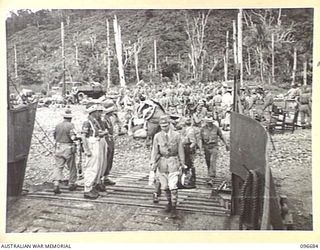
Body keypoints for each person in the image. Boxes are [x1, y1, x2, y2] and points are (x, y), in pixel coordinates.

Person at [150, 115, 185, 218]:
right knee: (165, 186)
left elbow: (180, 150)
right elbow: (154, 150)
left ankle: (174, 207)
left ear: (169, 124)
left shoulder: (176, 135)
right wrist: (152, 162)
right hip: (162, 163)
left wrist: (182, 163)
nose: (164, 128)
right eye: (162, 126)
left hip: (173, 161)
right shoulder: (157, 136)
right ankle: (169, 203)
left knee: (173, 185)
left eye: (166, 125)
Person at [81, 104, 108, 199]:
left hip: (95, 142)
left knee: (96, 166)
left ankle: (92, 186)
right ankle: (87, 189)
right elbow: (83, 136)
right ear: (93, 112)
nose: (99, 113)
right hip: (91, 144)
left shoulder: (94, 122)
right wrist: (87, 150)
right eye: (97, 112)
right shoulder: (87, 122)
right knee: (91, 166)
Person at [52, 108, 77, 194]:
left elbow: (54, 136)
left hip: (58, 146)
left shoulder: (58, 125)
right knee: (72, 166)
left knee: (58, 166)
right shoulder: (71, 125)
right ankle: (71, 183)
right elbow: (73, 137)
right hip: (68, 147)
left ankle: (56, 183)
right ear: (70, 118)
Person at [200, 117, 230, 186]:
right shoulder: (203, 129)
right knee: (208, 161)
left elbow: (222, 136)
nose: (209, 123)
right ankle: (210, 174)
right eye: (207, 122)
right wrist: (200, 148)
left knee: (212, 161)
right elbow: (200, 139)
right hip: (206, 147)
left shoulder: (216, 128)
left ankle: (211, 177)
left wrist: (226, 144)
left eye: (210, 122)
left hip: (214, 146)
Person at [102, 105, 117, 185]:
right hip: (107, 139)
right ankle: (103, 176)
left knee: (110, 157)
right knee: (106, 157)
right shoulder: (104, 120)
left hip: (110, 139)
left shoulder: (108, 119)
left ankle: (106, 176)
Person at [180, 117, 197, 188]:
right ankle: (186, 180)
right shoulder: (184, 131)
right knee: (185, 164)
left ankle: (191, 181)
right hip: (184, 148)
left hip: (188, 149)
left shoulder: (190, 131)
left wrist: (189, 149)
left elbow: (193, 142)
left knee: (190, 165)